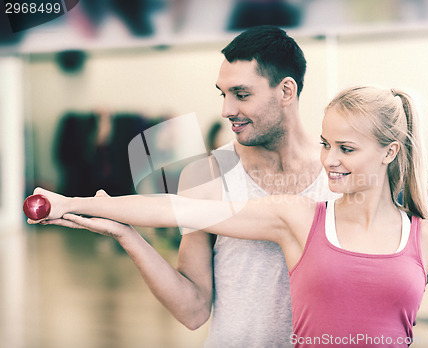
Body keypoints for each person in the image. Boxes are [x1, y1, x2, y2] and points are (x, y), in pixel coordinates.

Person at [33, 86, 428, 347]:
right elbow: (182, 207)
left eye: (346, 149)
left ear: (390, 152)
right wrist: (77, 204)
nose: (329, 159)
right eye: (325, 144)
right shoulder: (298, 219)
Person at [41, 26, 337, 347]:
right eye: (223, 94)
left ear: (286, 91)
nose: (226, 110)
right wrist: (127, 234)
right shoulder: (206, 175)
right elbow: (193, 311)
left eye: (241, 94)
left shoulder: (340, 174)